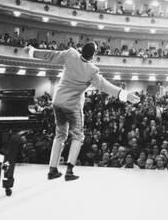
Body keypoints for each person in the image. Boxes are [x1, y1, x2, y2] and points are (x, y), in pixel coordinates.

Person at [23, 41, 140, 181]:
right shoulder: (92, 71)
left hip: (58, 101)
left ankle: (52, 169)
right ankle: (69, 170)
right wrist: (126, 95)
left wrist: (32, 51)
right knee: (78, 136)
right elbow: (106, 86)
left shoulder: (70, 54)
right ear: (93, 55)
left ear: (81, 50)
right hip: (72, 106)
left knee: (60, 135)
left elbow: (51, 55)